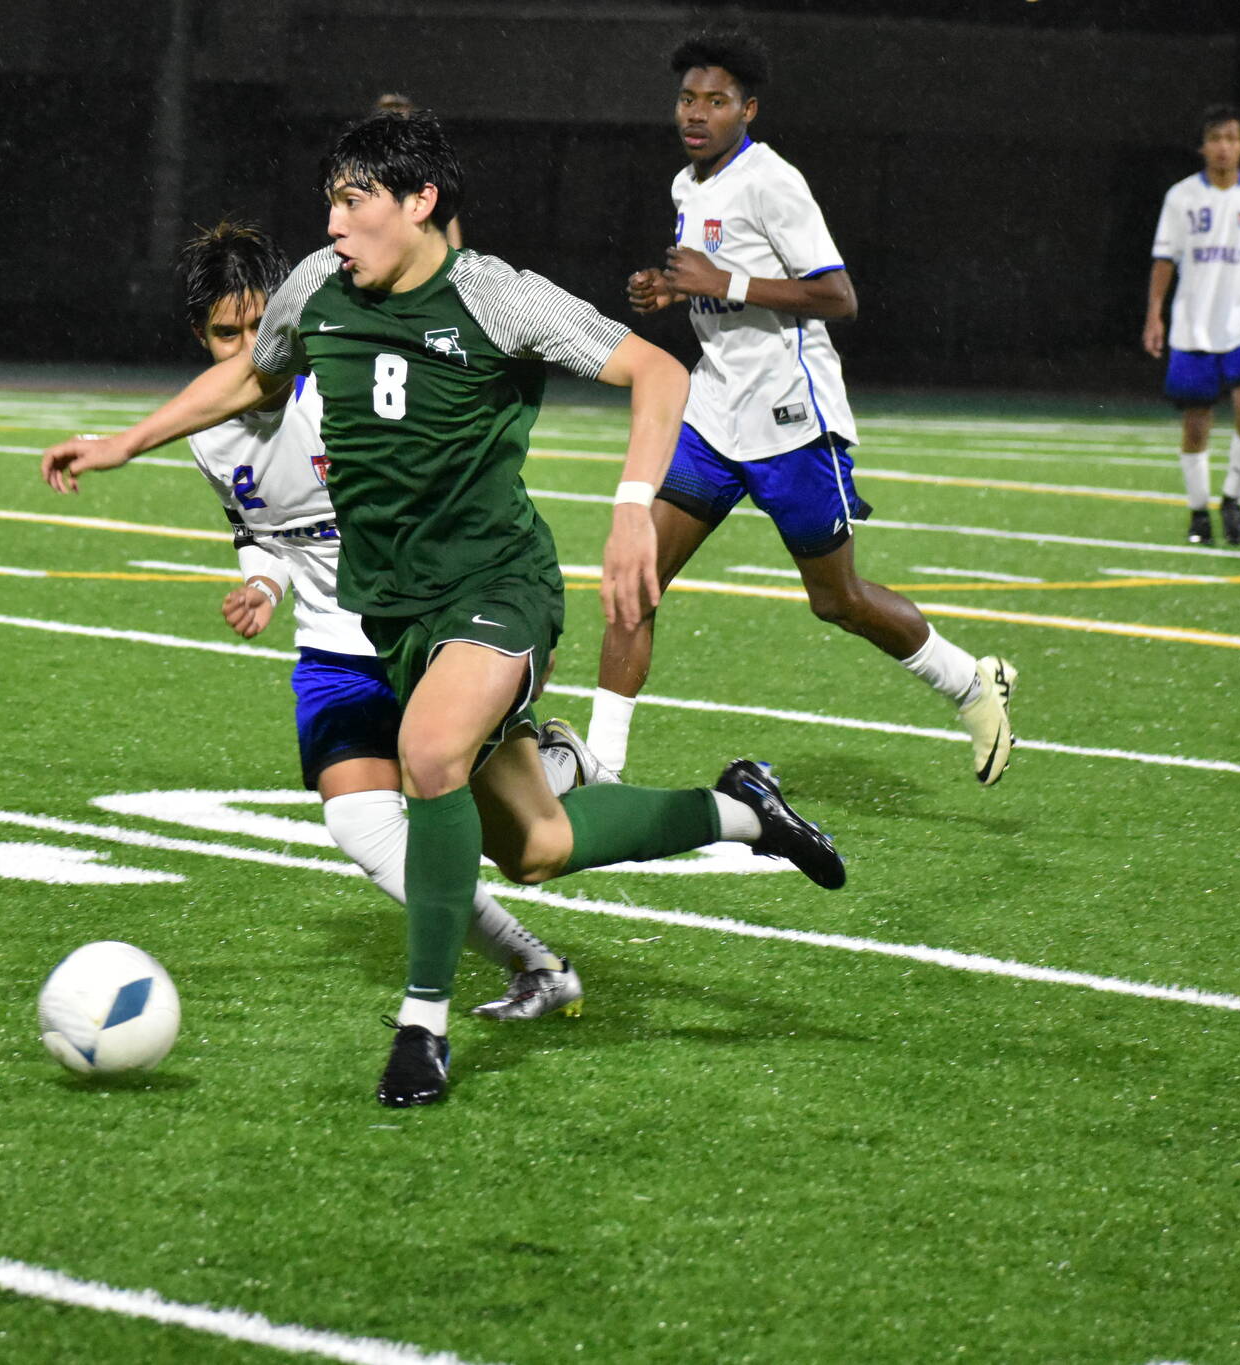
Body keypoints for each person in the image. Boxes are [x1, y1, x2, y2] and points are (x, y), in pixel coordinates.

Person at [44, 112, 844, 1107]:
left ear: (419, 204)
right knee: (537, 847)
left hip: (498, 589)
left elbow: (657, 370)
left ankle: (420, 1028)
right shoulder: (315, 293)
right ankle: (743, 813)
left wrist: (634, 510)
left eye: (353, 201)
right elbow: (251, 375)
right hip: (398, 618)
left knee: (426, 754)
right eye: (328, 200)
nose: (332, 224)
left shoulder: (492, 297)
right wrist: (124, 442)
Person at [71, 218, 592, 1022]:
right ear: (197, 336)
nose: (250, 348)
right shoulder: (204, 433)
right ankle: (534, 963)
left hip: (428, 629)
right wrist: (264, 586)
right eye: (225, 334)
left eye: (259, 324)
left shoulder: (348, 381)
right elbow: (261, 527)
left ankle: (560, 770)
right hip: (333, 647)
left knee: (525, 844)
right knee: (360, 824)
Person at [587, 30, 1015, 786]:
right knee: (634, 583)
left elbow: (837, 295)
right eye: (688, 98)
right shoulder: (689, 185)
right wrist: (672, 289)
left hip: (790, 423)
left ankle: (969, 683)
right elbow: (714, 278)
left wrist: (722, 283)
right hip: (714, 413)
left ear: (747, 110)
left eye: (716, 101)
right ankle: (601, 770)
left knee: (838, 599)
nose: (697, 112)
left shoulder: (772, 182)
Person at [1143, 104, 1240, 547]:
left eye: (1231, 138)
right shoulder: (1181, 197)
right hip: (1193, 325)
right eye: (1216, 139)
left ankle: (1232, 498)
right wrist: (1154, 313)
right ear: (1203, 147)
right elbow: (1163, 260)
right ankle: (1198, 513)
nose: (1224, 147)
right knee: (1196, 425)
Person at [371, 94, 464, 249]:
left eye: (398, 107)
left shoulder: (427, 157)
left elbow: (448, 211)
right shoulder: (367, 159)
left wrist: (456, 254)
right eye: (388, 108)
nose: (394, 112)